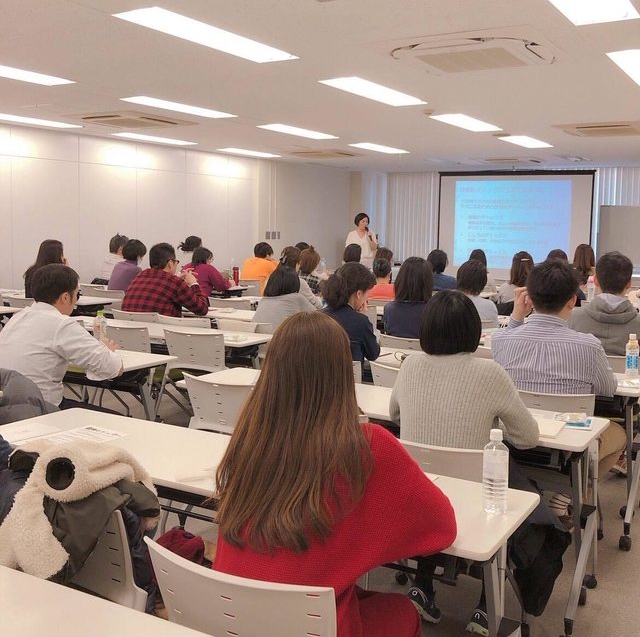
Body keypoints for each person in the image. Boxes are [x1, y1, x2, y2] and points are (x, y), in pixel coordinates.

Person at [213, 312, 456, 637]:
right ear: (343, 373)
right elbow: (442, 526)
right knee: (403, 612)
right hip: (311, 624)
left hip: (228, 617)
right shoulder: (368, 447)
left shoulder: (250, 438)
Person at [390, 291, 539, 627]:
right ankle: (487, 607)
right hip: (477, 500)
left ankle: (423, 586)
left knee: (439, 482)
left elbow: (395, 414)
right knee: (517, 494)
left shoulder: (410, 365)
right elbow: (528, 438)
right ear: (473, 331)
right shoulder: (490, 373)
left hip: (419, 494)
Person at [491, 260, 626, 520]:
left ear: (529, 298)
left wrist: (517, 317)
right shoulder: (588, 346)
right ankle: (569, 494)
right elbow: (608, 389)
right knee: (618, 434)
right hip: (570, 447)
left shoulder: (501, 339)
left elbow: (506, 344)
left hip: (515, 442)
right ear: (572, 300)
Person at [0, 264, 122, 408]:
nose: (76, 300)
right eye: (77, 295)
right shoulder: (61, 324)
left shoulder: (17, 317)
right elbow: (113, 367)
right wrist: (106, 350)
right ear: (65, 297)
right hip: (42, 408)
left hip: (7, 407)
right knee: (121, 419)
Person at [570, 252, 640, 377]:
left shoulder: (573, 319)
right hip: (629, 388)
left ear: (595, 280)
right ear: (629, 283)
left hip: (580, 388)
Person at [121, 242, 208, 317]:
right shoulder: (175, 282)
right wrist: (194, 283)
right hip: (163, 330)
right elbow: (202, 309)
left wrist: (178, 280)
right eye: (176, 262)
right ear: (170, 263)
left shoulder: (139, 276)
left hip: (131, 327)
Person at [322, 263, 380, 363]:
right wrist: (361, 318)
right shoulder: (360, 322)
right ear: (359, 294)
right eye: (366, 293)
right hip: (350, 373)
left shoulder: (317, 317)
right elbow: (373, 354)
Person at [252, 265, 316, 331]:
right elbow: (317, 315)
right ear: (294, 284)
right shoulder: (296, 298)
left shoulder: (263, 300)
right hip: (281, 336)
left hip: (257, 336)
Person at [384, 258, 433, 339]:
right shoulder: (433, 312)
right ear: (428, 283)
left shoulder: (389, 309)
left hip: (395, 347)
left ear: (400, 280)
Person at [456, 260, 499, 326]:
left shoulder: (449, 303)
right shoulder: (490, 306)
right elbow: (495, 329)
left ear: (459, 278)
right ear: (483, 282)